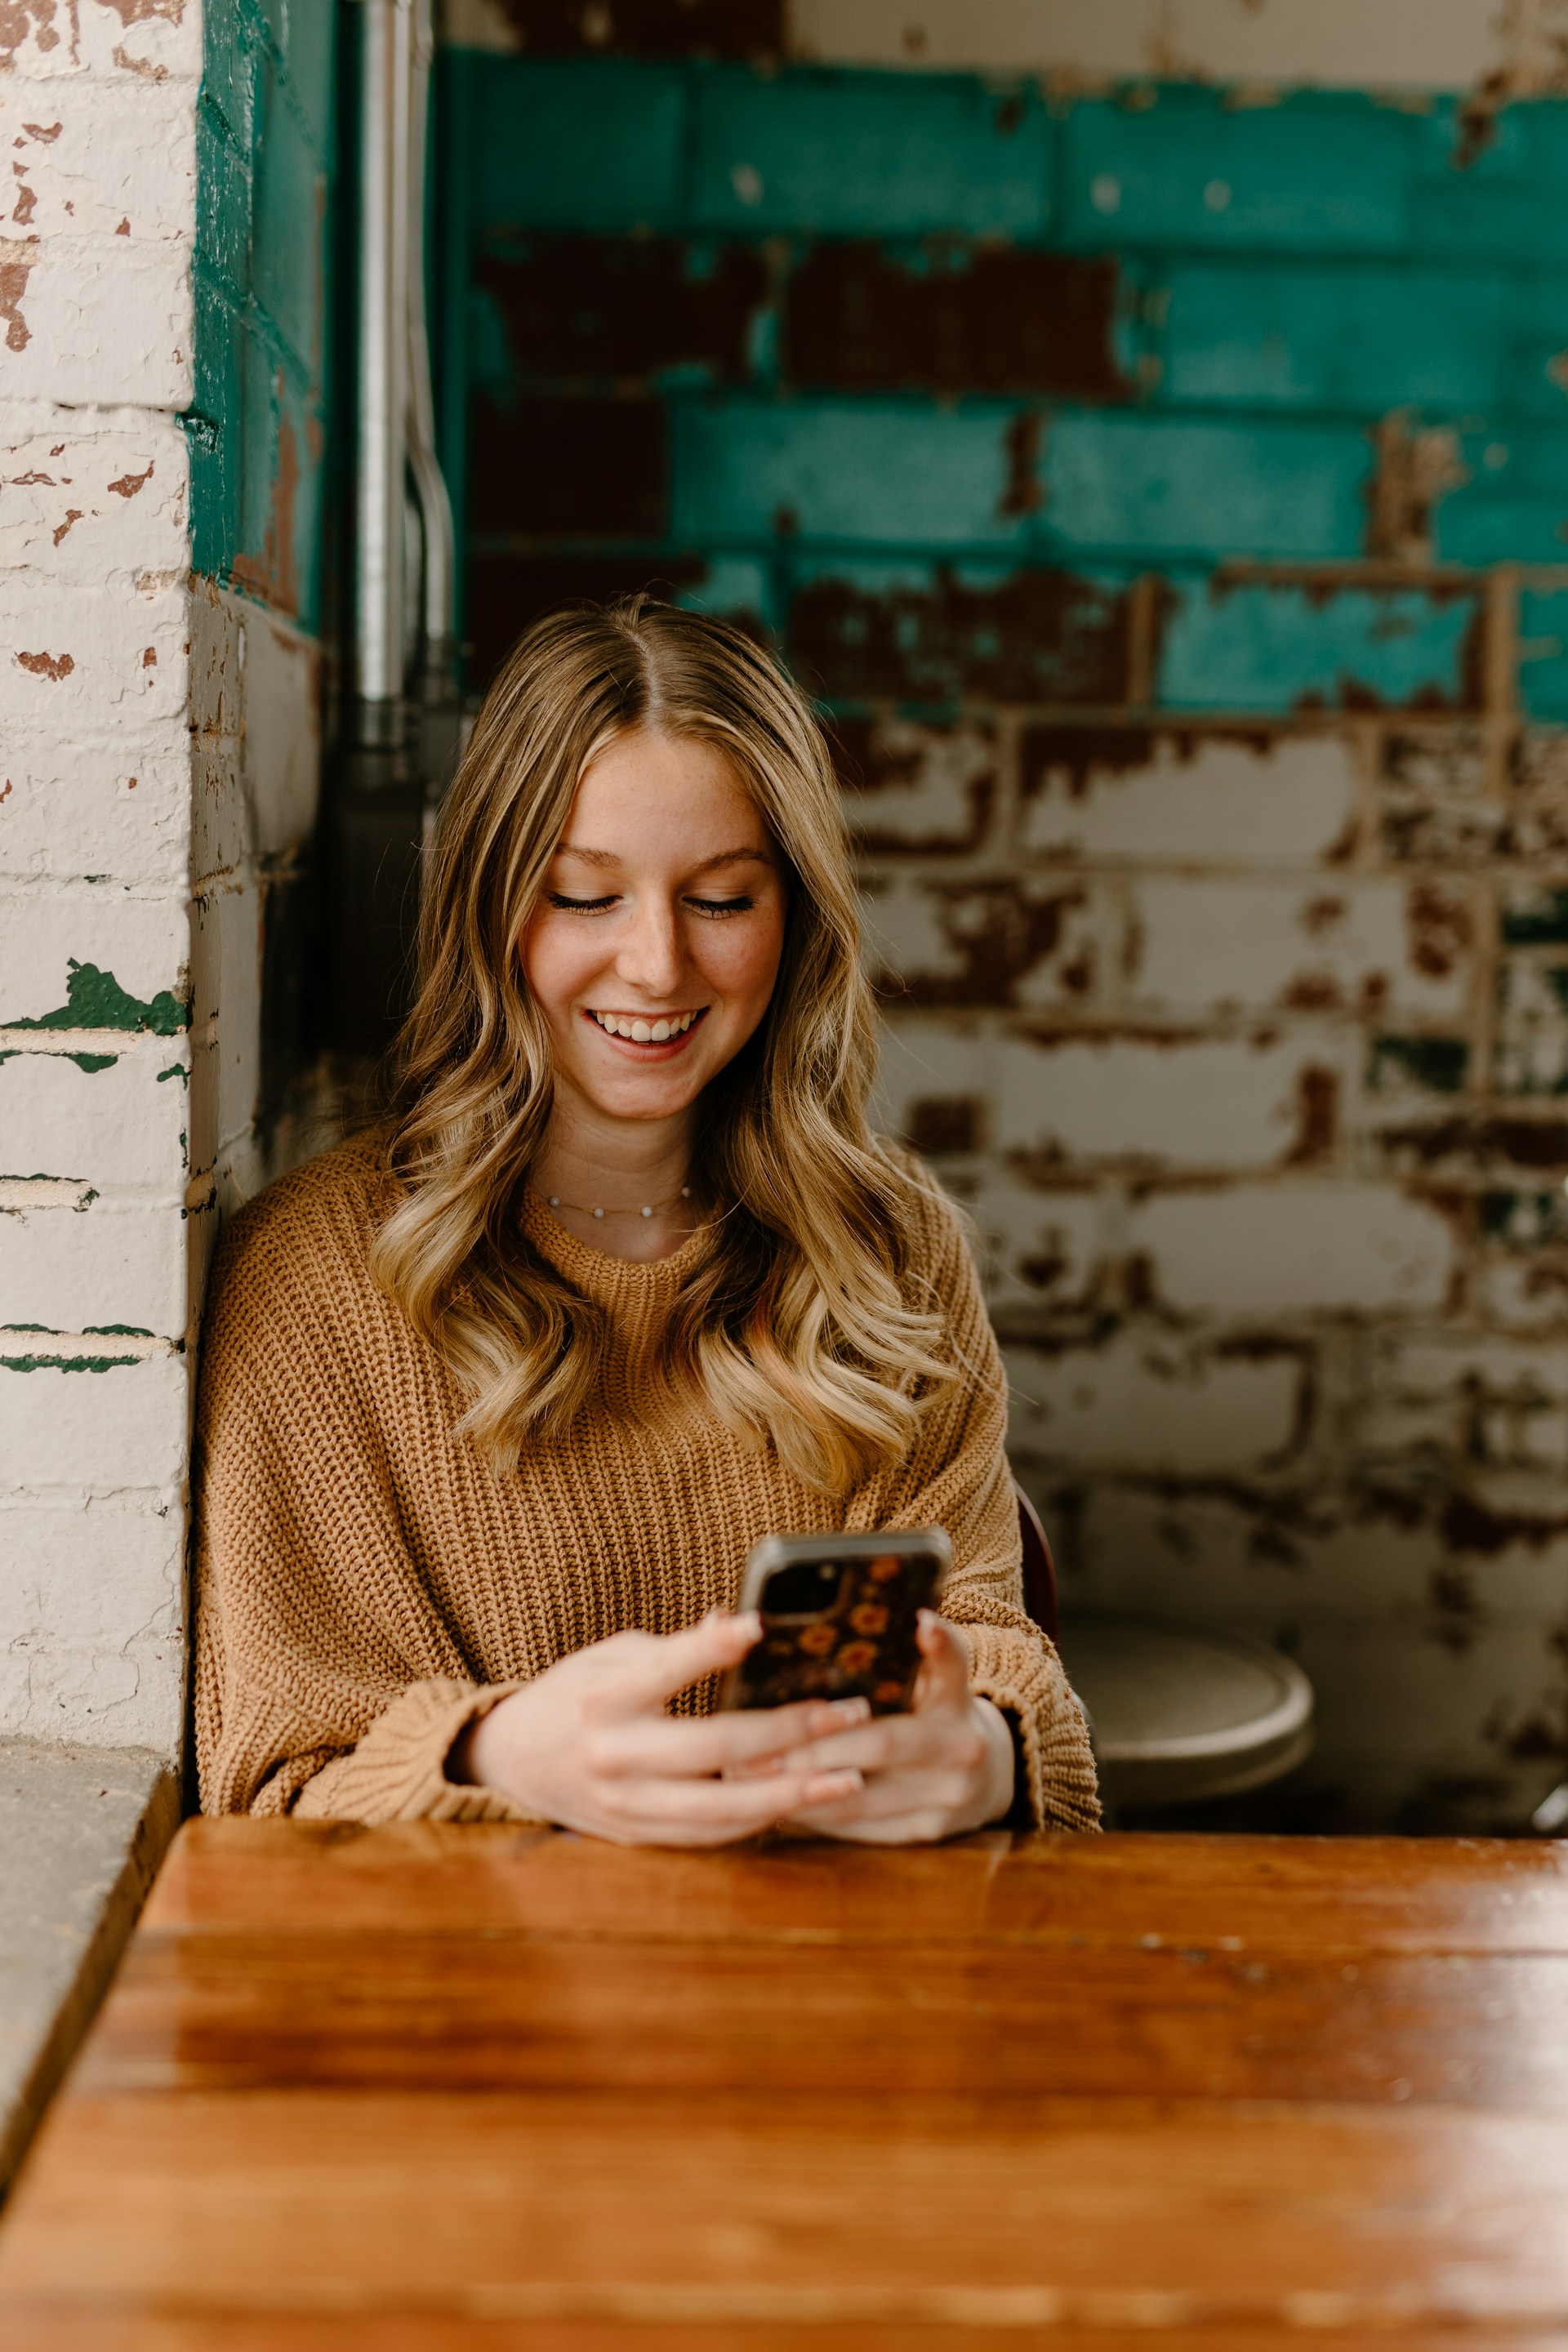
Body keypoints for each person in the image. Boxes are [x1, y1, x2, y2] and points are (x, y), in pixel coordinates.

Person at [194, 599, 1098, 1842]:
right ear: (490, 907)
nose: (659, 965)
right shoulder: (313, 1278)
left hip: (837, 1948)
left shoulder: (889, 1250)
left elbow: (998, 1655)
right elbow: (273, 1793)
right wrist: (498, 1754)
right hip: (475, 1963)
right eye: (584, 896)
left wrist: (988, 1754)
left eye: (722, 900)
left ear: (796, 918)